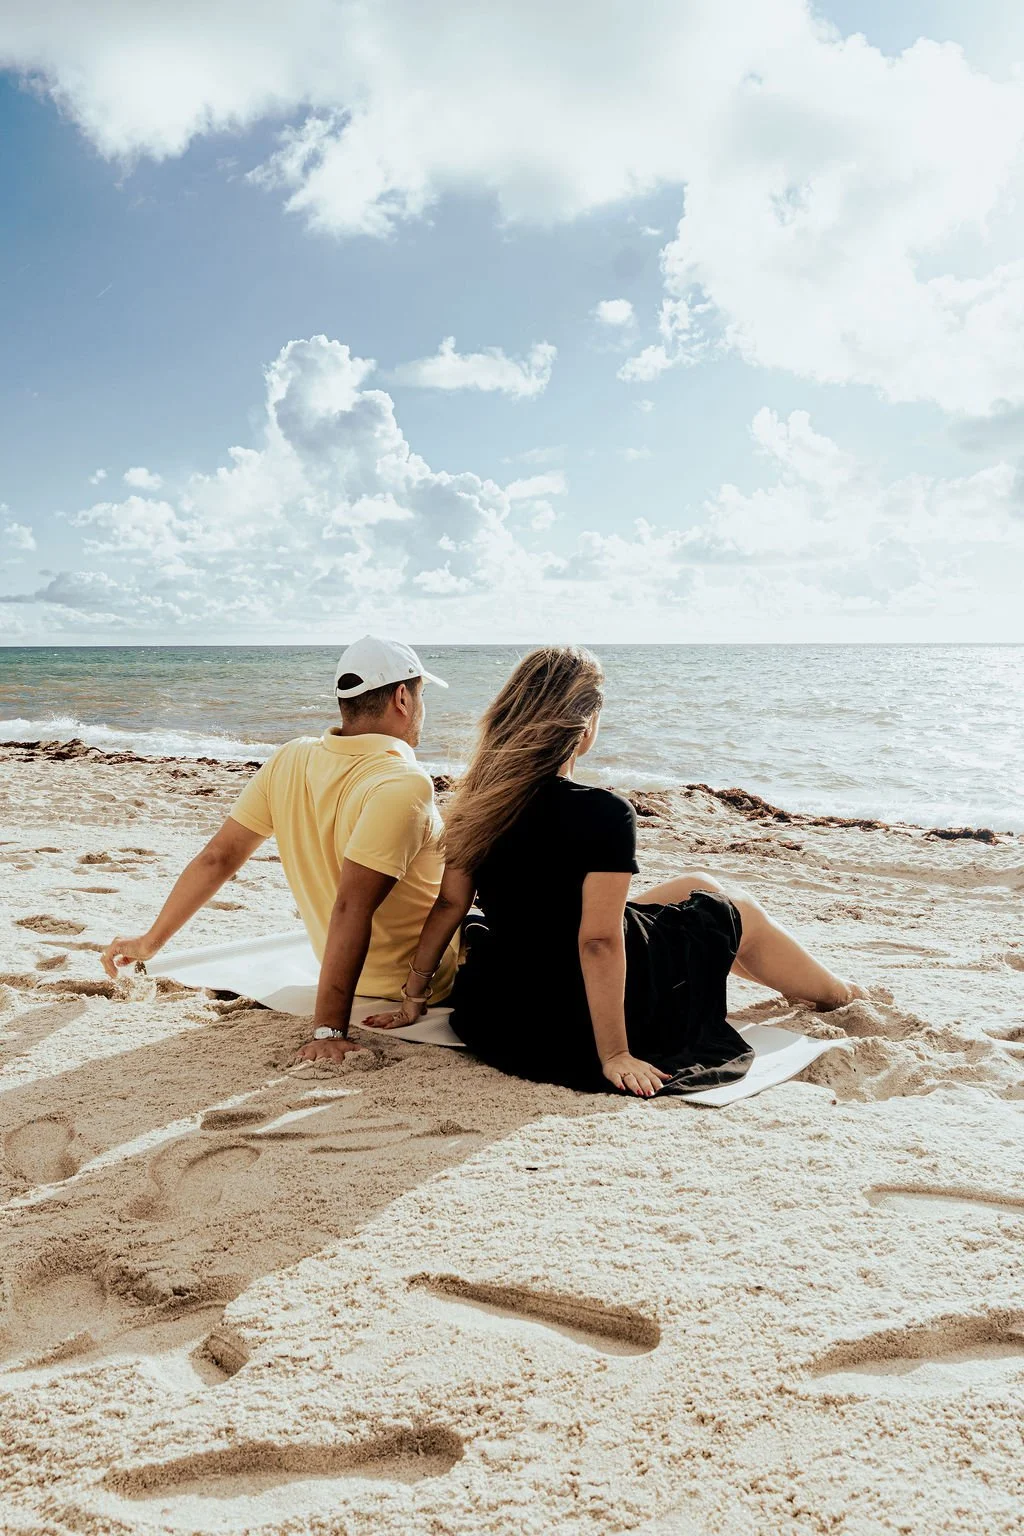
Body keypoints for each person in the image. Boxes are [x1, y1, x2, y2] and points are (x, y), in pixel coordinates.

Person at [367, 645, 865, 1098]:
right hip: (573, 1000)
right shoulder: (604, 812)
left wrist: (414, 997)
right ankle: (839, 995)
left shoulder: (479, 801)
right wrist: (614, 1054)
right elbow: (599, 941)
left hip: (512, 997)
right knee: (737, 914)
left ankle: (798, 986)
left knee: (699, 885)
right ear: (584, 728)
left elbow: (451, 904)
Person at [100, 636, 457, 1065]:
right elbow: (351, 906)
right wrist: (328, 1030)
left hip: (346, 971)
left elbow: (219, 857)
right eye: (421, 695)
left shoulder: (291, 758)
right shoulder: (403, 782)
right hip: (420, 985)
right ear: (403, 697)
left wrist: (150, 942)